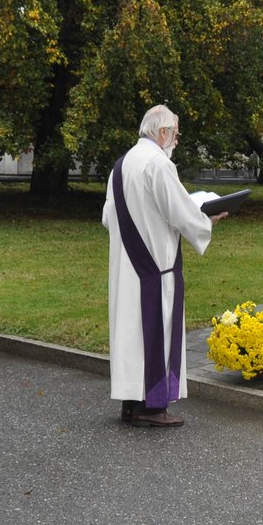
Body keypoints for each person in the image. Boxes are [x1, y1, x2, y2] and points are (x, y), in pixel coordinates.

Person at [103, 104, 226, 428]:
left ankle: (132, 404)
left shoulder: (121, 164)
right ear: (162, 132)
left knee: (131, 335)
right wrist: (205, 219)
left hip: (127, 265)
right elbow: (181, 212)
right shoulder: (158, 164)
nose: (176, 140)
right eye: (175, 133)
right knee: (155, 331)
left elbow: (107, 216)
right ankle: (152, 407)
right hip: (155, 266)